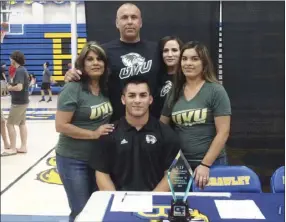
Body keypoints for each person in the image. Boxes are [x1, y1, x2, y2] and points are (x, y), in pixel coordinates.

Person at [65, 3, 160, 121]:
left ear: (140, 23)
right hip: (115, 124)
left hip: (151, 121)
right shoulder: (103, 52)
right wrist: (72, 75)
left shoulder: (156, 50)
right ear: (117, 23)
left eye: (134, 17)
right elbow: (86, 75)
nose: (129, 22)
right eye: (124, 17)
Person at [55, 41, 114, 222]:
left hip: (98, 160)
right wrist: (93, 134)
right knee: (81, 211)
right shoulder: (73, 89)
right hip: (73, 159)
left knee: (98, 208)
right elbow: (61, 126)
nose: (95, 63)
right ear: (82, 64)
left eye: (99, 59)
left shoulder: (105, 88)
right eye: (90, 59)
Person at [160, 41, 231, 189]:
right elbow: (162, 127)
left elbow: (223, 132)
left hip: (211, 166)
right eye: (184, 59)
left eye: (194, 59)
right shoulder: (174, 92)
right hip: (181, 166)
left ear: (204, 63)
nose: (188, 63)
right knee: (181, 210)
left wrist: (205, 164)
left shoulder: (216, 90)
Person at [89, 76, 180, 191]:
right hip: (119, 202)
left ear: (150, 100)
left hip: (153, 203)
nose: (137, 100)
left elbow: (172, 173)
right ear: (123, 99)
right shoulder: (108, 134)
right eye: (132, 95)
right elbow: (102, 173)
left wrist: (152, 201)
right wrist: (117, 201)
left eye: (143, 95)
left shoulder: (167, 134)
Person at [2, 51, 30, 156]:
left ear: (14, 59)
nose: (10, 61)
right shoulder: (21, 70)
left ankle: (13, 148)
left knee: (9, 124)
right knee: (22, 124)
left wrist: (9, 88)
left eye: (10, 59)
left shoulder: (20, 71)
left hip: (18, 102)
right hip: (23, 101)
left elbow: (19, 87)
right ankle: (23, 146)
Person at [151, 36, 183, 118]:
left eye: (174, 50)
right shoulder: (154, 78)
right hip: (159, 126)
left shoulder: (187, 77)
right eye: (165, 51)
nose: (170, 55)